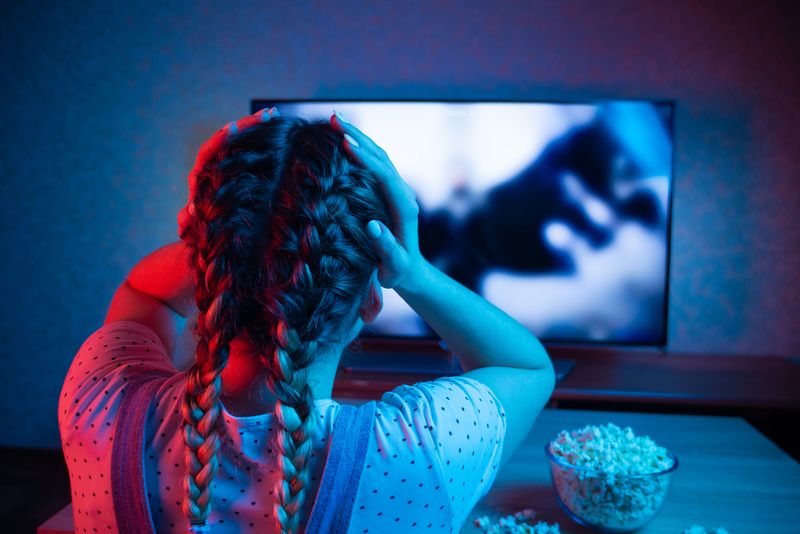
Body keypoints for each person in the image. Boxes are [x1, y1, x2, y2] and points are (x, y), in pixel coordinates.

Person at [58, 107, 556, 533]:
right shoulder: (425, 450)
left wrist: (209, 238)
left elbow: (145, 293)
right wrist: (416, 273)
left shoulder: (100, 406)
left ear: (206, 277)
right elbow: (526, 367)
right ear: (371, 299)